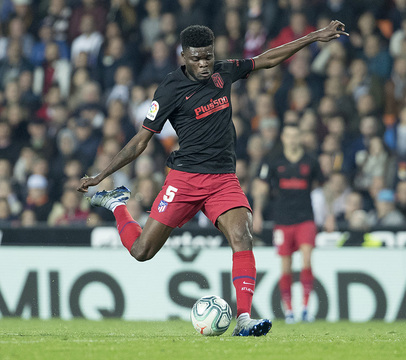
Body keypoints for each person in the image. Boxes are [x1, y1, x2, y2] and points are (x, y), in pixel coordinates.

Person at [77, 21, 348, 336]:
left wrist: (314, 36)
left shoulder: (225, 71)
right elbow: (141, 141)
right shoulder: (169, 88)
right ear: (184, 56)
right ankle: (117, 204)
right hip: (185, 180)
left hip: (223, 179)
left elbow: (268, 58)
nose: (204, 64)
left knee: (242, 236)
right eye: (197, 59)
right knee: (141, 252)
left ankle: (244, 318)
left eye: (208, 56)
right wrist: (101, 175)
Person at [252, 124, 324, 324]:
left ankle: (306, 309)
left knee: (307, 259)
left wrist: (329, 214)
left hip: (305, 217)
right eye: (288, 136)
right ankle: (289, 311)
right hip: (282, 219)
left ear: (300, 137)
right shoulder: (274, 160)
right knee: (286, 265)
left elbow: (324, 187)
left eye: (295, 135)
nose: (292, 139)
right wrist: (257, 213)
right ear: (283, 138)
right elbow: (261, 188)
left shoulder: (311, 160)